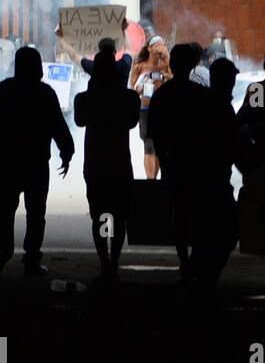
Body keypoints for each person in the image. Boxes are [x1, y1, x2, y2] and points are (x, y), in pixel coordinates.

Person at [145, 42, 236, 290]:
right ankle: (196, 264)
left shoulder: (162, 95)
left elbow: (156, 136)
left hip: (176, 164)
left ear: (173, 64)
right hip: (200, 166)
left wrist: (166, 163)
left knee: (181, 217)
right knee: (199, 217)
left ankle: (185, 264)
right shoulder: (201, 96)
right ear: (194, 65)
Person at [0, 46, 75, 277]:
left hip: (9, 161)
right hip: (36, 163)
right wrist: (67, 151)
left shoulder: (5, 89)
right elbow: (58, 126)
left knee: (4, 210)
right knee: (36, 213)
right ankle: (32, 257)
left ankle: (4, 251)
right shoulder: (45, 92)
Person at [73, 49, 140, 285]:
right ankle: (114, 260)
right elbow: (132, 121)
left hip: (96, 164)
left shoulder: (84, 99)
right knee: (119, 217)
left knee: (101, 215)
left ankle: (104, 263)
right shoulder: (129, 98)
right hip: (120, 163)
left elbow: (79, 120)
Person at [132, 35, 171, 179]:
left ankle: (155, 177)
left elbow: (174, 80)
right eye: (157, 45)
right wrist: (140, 88)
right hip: (146, 108)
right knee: (148, 144)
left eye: (163, 45)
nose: (161, 47)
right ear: (149, 48)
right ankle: (150, 179)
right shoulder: (140, 66)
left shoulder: (166, 64)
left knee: (160, 145)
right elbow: (132, 88)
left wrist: (165, 71)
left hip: (163, 110)